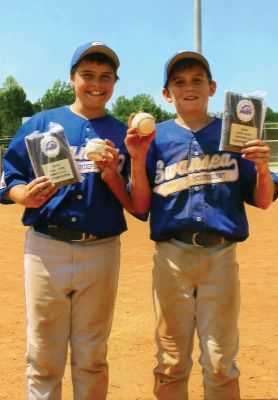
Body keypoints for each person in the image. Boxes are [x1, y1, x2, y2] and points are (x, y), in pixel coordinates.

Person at [125, 50, 278, 399]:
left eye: (197, 81)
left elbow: (265, 200)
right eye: (179, 82)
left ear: (212, 88)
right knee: (171, 361)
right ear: (167, 94)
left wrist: (261, 163)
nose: (188, 88)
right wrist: (136, 158)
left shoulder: (236, 135)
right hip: (171, 258)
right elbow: (141, 204)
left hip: (220, 258)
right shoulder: (155, 138)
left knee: (222, 361)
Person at [0, 41, 145, 400]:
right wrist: (21, 194)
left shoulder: (121, 135)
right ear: (72, 78)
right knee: (43, 353)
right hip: (45, 247)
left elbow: (136, 197)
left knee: (92, 354)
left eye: (106, 77)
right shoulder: (42, 122)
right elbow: (7, 174)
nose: (97, 84)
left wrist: (116, 172)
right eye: (88, 75)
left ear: (115, 83)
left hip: (101, 250)